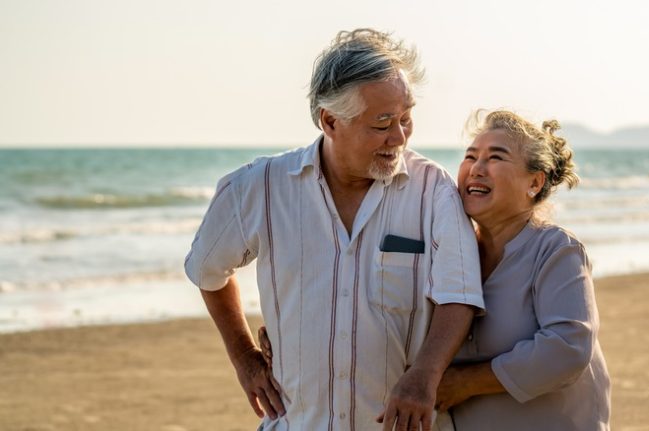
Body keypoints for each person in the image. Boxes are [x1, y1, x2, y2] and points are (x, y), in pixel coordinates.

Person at [184, 29, 484, 431]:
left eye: (406, 119)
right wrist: (243, 355)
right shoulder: (258, 187)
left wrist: (425, 375)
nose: (398, 137)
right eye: (382, 123)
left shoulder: (433, 191)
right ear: (330, 120)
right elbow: (207, 271)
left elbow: (459, 293)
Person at [434, 110, 611, 430]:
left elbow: (567, 348)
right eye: (470, 156)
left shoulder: (556, 250)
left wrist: (465, 383)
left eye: (495, 158)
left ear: (534, 182)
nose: (476, 168)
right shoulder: (452, 255)